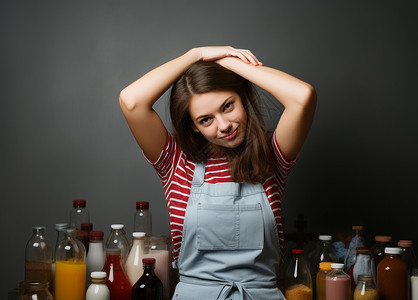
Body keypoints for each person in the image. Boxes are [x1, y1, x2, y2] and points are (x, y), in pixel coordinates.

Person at [119, 46, 317, 300]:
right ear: (194, 126)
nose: (224, 126)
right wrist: (195, 55)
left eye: (227, 106)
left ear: (242, 98)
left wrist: (231, 64)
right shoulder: (176, 164)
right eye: (205, 120)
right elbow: (131, 101)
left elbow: (303, 96)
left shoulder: (271, 158)